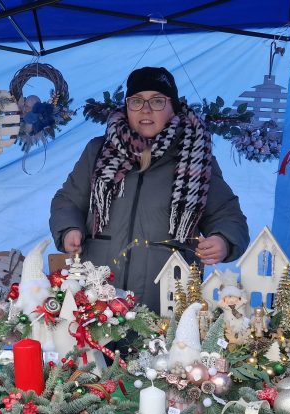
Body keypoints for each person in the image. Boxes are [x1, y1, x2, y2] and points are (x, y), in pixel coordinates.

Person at [50, 67, 249, 311]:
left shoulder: (195, 158)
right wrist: (69, 228)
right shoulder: (98, 151)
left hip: (166, 304)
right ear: (127, 108)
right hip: (98, 301)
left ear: (172, 108)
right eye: (136, 101)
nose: (145, 109)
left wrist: (223, 240)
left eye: (157, 101)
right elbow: (67, 201)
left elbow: (228, 216)